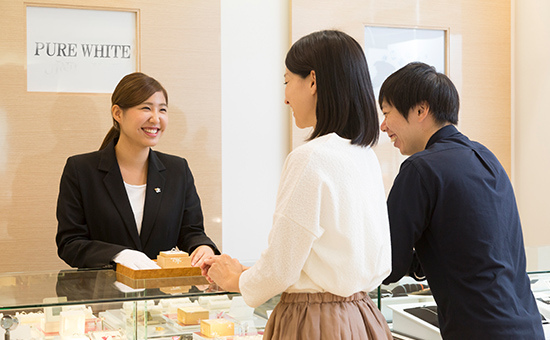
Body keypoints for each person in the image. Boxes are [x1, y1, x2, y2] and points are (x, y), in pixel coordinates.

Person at [201, 30, 393, 339]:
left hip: (314, 320)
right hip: (363, 316)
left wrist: (236, 278)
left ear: (313, 81)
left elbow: (282, 265)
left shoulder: (311, 158)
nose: (285, 96)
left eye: (287, 81)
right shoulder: (364, 156)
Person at [379, 62, 544, 339]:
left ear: (421, 110)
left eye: (386, 113)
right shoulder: (487, 157)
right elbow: (468, 245)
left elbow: (387, 264)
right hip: (528, 326)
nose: (383, 126)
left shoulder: (420, 168)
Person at [56, 72, 219, 270]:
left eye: (163, 110)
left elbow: (191, 232)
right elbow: (70, 243)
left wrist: (203, 247)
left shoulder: (178, 170)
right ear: (117, 113)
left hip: (162, 295)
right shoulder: (81, 170)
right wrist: (118, 255)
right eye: (146, 108)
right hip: (104, 296)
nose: (156, 118)